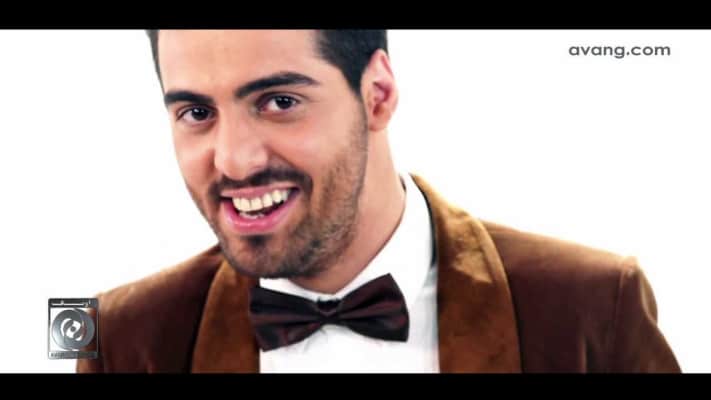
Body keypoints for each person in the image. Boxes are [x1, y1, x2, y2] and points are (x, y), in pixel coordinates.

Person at [76, 29, 680, 373]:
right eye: (196, 112)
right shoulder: (114, 338)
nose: (234, 160)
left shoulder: (597, 305)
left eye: (279, 102)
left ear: (378, 94)